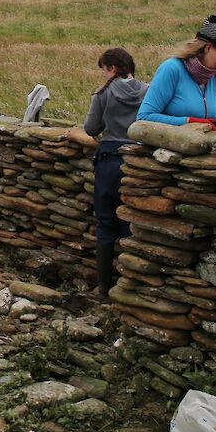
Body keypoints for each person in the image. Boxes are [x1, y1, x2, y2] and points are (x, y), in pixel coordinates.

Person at [83, 48, 148, 298]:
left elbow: (90, 128)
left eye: (104, 69)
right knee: (132, 224)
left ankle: (104, 287)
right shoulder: (148, 90)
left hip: (110, 160)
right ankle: (129, 286)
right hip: (139, 162)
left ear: (112, 67)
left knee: (106, 222)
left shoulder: (103, 93)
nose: (103, 74)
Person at [136, 15, 216, 129]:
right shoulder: (171, 69)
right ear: (207, 48)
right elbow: (144, 117)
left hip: (195, 143)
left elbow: (211, 115)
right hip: (161, 143)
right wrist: (189, 121)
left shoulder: (215, 75)